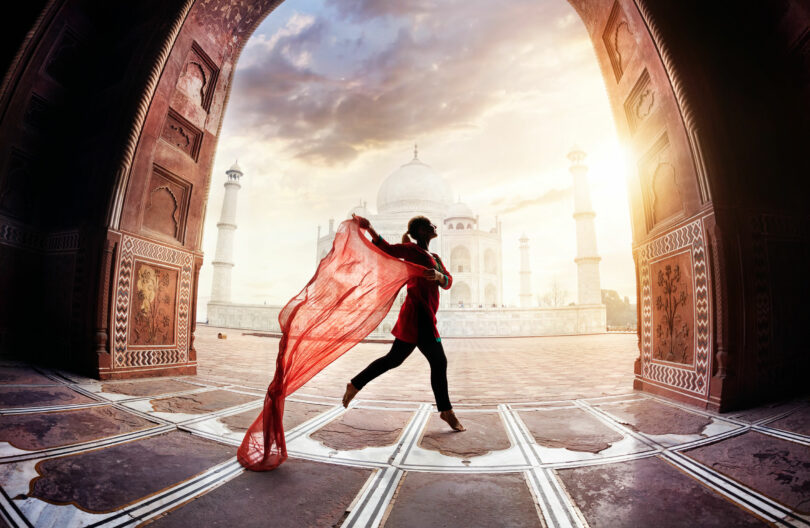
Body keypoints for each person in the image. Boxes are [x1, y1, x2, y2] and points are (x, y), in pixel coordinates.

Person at [344, 214, 465, 432]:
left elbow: (448, 282)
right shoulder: (412, 251)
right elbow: (388, 250)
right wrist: (370, 228)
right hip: (418, 316)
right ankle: (446, 411)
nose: (435, 226)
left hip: (426, 314)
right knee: (439, 362)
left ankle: (355, 384)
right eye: (430, 225)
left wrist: (438, 276)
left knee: (394, 359)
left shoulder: (435, 256)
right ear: (420, 231)